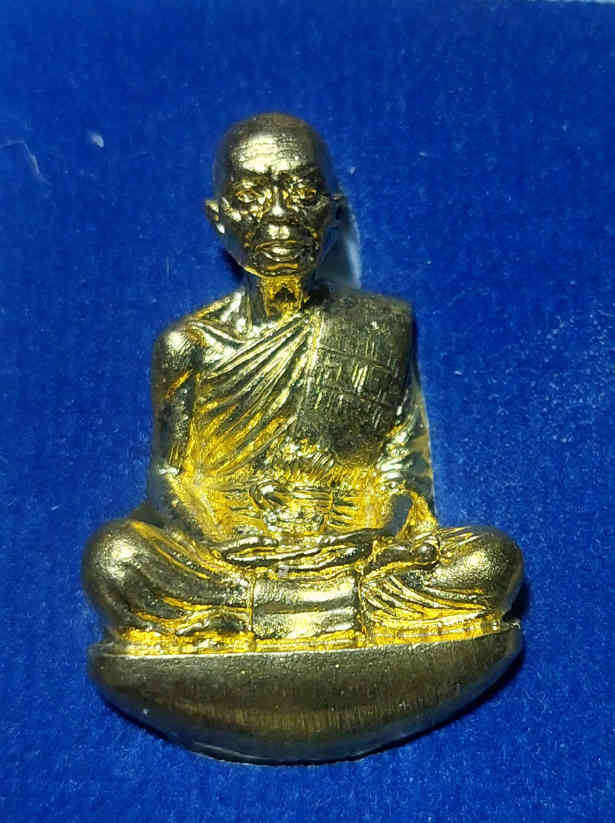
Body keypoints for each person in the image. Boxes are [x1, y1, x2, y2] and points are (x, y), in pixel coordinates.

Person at [83, 113, 522, 650]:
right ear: (219, 219)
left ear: (333, 213)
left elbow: (403, 465)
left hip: (354, 551)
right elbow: (169, 474)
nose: (277, 215)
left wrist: (378, 536)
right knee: (115, 558)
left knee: (491, 559)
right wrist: (219, 544)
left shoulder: (381, 327)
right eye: (250, 196)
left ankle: (259, 614)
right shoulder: (189, 345)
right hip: (233, 558)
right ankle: (326, 609)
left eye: (301, 193)